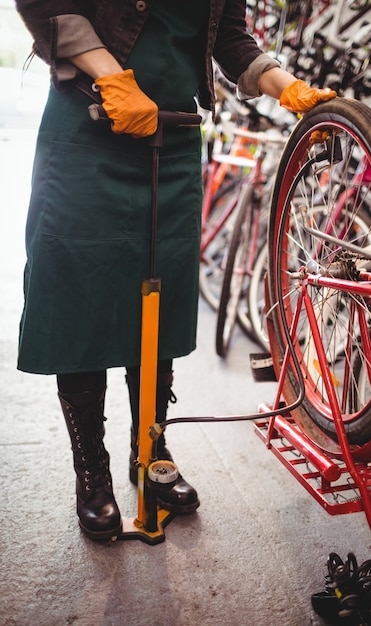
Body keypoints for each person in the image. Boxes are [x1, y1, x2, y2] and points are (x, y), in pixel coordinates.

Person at [15, 0, 336, 542]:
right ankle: (91, 470)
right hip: (90, 122)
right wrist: (109, 74)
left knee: (159, 304)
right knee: (82, 299)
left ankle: (152, 452)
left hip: (175, 132)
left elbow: (230, 37)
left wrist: (285, 85)